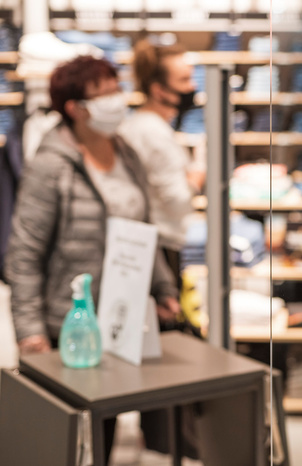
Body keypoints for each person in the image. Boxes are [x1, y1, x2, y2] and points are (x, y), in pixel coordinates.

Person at [4, 55, 180, 462]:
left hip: (122, 317)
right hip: (69, 325)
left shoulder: (126, 153)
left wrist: (164, 287)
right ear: (75, 107)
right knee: (61, 444)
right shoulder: (52, 166)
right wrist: (30, 332)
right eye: (105, 93)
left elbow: (142, 231)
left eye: (117, 89)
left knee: (105, 427)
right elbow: (24, 253)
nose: (118, 100)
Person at [119, 38, 205, 284]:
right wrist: (197, 173)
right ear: (159, 90)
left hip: (153, 245)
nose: (194, 86)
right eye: (184, 80)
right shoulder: (152, 133)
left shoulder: (145, 126)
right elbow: (178, 201)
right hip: (159, 249)